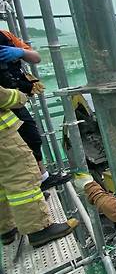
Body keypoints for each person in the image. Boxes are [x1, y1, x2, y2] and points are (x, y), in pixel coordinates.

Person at [0, 85, 78, 247]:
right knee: (21, 174)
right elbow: (4, 96)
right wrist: (20, 95)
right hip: (3, 139)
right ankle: (39, 229)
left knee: (2, 180)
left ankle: (6, 228)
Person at [0, 17, 68, 190]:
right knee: (19, 144)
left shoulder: (5, 36)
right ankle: (34, 181)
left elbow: (35, 57)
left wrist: (20, 52)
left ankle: (41, 178)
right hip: (8, 100)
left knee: (30, 137)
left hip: (13, 100)